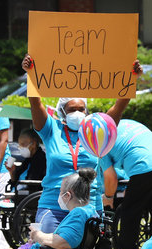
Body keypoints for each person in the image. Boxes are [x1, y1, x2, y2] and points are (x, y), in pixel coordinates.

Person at [20, 54, 142, 233]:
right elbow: (35, 103)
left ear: (86, 111)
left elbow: (119, 107)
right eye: (71, 110)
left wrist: (132, 78)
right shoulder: (51, 129)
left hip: (89, 206)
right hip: (53, 206)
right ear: (62, 112)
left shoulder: (96, 130)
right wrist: (31, 74)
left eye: (81, 109)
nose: (77, 113)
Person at [99, 119, 152, 249]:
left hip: (144, 167)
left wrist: (108, 198)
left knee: (130, 213)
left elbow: (111, 178)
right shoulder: (126, 123)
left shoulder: (99, 141)